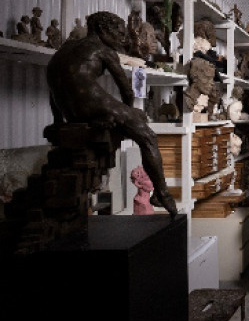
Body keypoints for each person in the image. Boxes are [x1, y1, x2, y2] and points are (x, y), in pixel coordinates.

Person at [46, 11, 177, 217]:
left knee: (131, 119)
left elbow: (54, 88)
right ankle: (162, 194)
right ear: (102, 29)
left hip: (70, 112)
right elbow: (126, 90)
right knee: (148, 135)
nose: (122, 36)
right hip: (93, 105)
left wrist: (58, 120)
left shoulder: (64, 50)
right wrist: (130, 113)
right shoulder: (103, 50)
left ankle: (107, 120)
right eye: (118, 31)